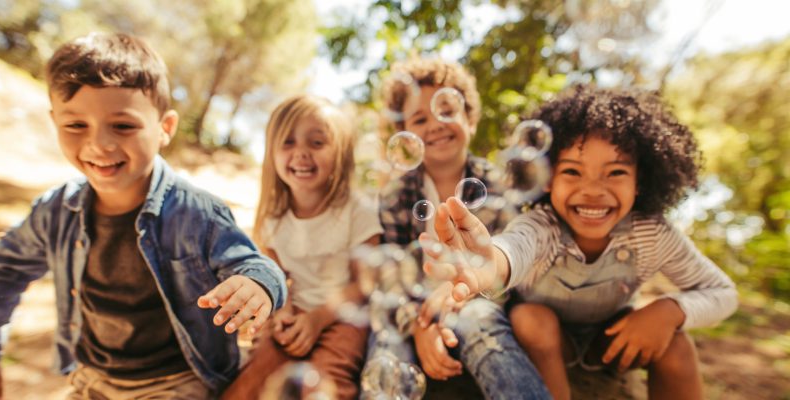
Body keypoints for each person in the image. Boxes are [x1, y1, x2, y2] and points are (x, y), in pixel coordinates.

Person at [0, 33, 287, 400]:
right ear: (55, 122)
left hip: (177, 381)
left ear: (165, 128)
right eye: (76, 125)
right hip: (94, 379)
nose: (100, 144)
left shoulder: (197, 212)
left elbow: (257, 266)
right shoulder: (55, 211)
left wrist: (258, 285)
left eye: (123, 126)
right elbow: (1, 272)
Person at [421, 85, 738, 400]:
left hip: (610, 340)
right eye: (572, 171)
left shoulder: (651, 234)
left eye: (615, 172)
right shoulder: (543, 226)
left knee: (677, 342)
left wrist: (670, 310)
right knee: (531, 318)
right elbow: (514, 248)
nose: (593, 190)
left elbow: (723, 292)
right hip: (546, 342)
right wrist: (489, 263)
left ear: (640, 182)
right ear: (546, 178)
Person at [368, 57, 549, 399]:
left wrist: (454, 299)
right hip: (410, 307)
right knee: (385, 349)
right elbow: (389, 275)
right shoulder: (395, 196)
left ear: (470, 119)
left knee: (484, 329)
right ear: (405, 137)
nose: (435, 124)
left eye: (447, 111)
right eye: (419, 119)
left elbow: (504, 268)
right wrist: (418, 325)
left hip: (476, 302)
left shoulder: (497, 186)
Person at [222, 95, 382, 400]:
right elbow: (274, 275)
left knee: (328, 379)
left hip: (343, 316)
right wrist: (282, 310)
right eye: (288, 143)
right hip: (294, 314)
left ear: (341, 153)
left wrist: (318, 318)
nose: (301, 154)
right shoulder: (274, 219)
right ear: (272, 154)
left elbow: (365, 282)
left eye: (317, 143)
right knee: (254, 379)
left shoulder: (356, 209)